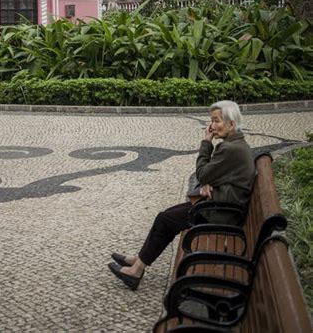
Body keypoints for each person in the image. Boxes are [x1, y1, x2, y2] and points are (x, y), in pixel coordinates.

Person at [108, 100, 255, 291]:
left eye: (216, 120)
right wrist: (209, 181)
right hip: (221, 205)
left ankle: (136, 270)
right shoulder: (236, 144)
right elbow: (211, 175)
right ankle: (138, 260)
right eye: (211, 120)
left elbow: (202, 173)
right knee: (167, 216)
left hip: (220, 212)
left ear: (231, 124)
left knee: (165, 219)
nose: (211, 126)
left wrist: (206, 143)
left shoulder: (230, 149)